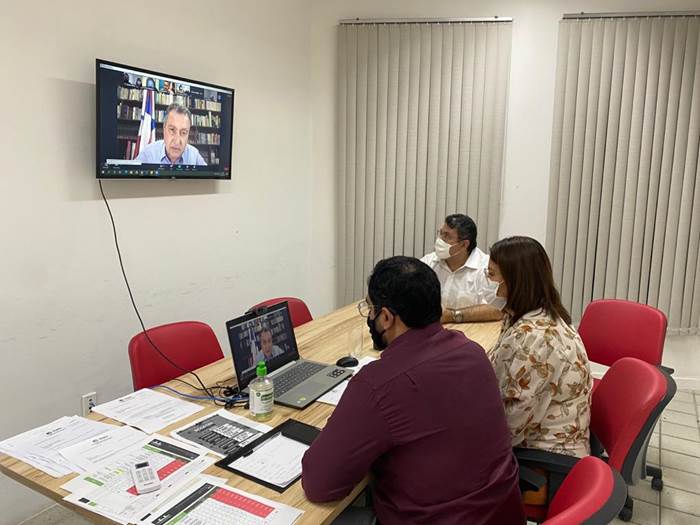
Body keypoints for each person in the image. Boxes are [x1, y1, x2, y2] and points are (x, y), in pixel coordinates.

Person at [302, 256, 524, 525]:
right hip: (503, 513)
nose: (370, 317)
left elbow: (320, 484)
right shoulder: (472, 352)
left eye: (371, 310)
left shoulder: (378, 385)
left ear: (386, 317)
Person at [486, 236, 592, 458]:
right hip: (531, 435)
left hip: (543, 454)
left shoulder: (537, 337)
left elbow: (513, 422)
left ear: (515, 281)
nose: (488, 281)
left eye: (492, 275)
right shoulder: (526, 316)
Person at [420, 214, 503, 323]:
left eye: (447, 236)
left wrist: (452, 316)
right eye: (440, 234)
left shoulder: (487, 268)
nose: (440, 240)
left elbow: (496, 309)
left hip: (474, 330)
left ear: (464, 244)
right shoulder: (429, 262)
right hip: (434, 328)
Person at [135, 104, 207, 166]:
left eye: (183, 132)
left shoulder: (194, 156)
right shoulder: (148, 153)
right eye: (172, 130)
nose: (177, 141)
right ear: (164, 129)